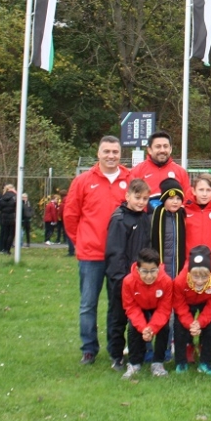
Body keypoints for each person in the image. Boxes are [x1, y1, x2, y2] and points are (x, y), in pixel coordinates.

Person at [63, 135, 134, 365]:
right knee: (88, 304)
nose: (111, 156)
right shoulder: (83, 181)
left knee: (118, 305)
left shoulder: (130, 179)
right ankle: (89, 349)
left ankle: (116, 349)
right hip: (91, 255)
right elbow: (71, 215)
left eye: (115, 152)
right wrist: (81, 241)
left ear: (120, 154)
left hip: (120, 256)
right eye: (107, 152)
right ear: (98, 153)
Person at [105, 179, 152, 371]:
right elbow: (115, 253)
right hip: (121, 279)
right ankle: (116, 355)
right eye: (137, 197)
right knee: (117, 318)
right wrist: (121, 279)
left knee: (138, 318)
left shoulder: (144, 218)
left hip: (140, 279)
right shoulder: (119, 219)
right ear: (127, 196)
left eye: (145, 199)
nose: (141, 202)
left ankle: (137, 355)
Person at [120, 247, 173, 379]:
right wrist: (144, 328)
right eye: (144, 271)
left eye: (153, 271)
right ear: (138, 270)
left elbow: (164, 309)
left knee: (164, 326)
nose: (149, 276)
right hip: (139, 306)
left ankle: (158, 363)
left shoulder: (166, 281)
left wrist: (152, 328)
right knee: (133, 328)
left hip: (157, 306)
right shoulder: (128, 281)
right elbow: (130, 307)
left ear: (159, 268)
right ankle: (134, 363)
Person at [171, 245, 211, 374]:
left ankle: (205, 362)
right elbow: (179, 305)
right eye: (195, 276)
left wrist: (199, 323)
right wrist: (190, 323)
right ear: (189, 273)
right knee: (179, 325)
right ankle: (181, 362)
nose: (199, 281)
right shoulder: (180, 281)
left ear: (210, 273)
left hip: (205, 301)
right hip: (186, 302)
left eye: (204, 277)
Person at [128, 130, 193, 203]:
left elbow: (187, 200)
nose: (162, 150)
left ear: (170, 149)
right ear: (149, 150)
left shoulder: (181, 172)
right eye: (158, 147)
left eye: (165, 146)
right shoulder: (137, 171)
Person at [150, 178, 187, 278]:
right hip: (162, 265)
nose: (175, 202)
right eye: (171, 198)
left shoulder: (182, 216)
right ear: (164, 199)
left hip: (177, 266)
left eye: (178, 198)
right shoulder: (156, 216)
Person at [184, 174, 211, 259]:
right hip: (190, 260)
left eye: (208, 190)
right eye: (201, 190)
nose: (204, 194)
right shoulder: (184, 210)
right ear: (194, 191)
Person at [0, 185, 18, 254]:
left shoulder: (2, 196)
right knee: (11, 234)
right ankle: (7, 249)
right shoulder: (15, 196)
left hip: (4, 216)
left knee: (5, 233)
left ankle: (2, 249)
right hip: (13, 216)